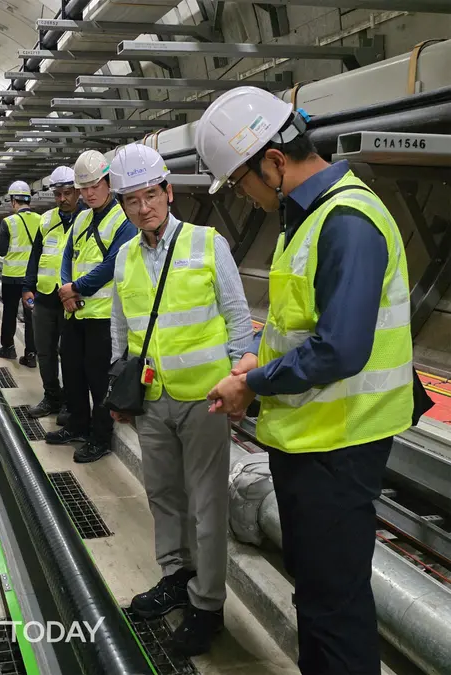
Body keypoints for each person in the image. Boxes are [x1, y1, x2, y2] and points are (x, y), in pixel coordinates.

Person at [200, 87, 414, 675]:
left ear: (273, 161)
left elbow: (341, 348)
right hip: (312, 441)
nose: (244, 194)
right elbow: (301, 329)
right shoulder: (310, 218)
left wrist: (253, 384)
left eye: (241, 180)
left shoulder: (347, 220)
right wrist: (257, 364)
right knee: (318, 599)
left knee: (334, 608)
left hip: (339, 448)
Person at [108, 143, 253, 656]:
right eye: (131, 200)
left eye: (151, 195)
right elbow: (122, 329)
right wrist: (118, 383)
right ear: (122, 206)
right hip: (152, 397)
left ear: (168, 193)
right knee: (163, 495)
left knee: (208, 504)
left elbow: (239, 322)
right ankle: (175, 576)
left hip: (205, 400)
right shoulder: (125, 256)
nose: (143, 207)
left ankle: (207, 605)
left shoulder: (207, 244)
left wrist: (241, 379)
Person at [46, 150, 137, 463]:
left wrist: (77, 288)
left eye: (94, 185)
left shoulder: (123, 220)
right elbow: (67, 256)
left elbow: (114, 263)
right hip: (75, 312)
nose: (89, 193)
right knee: (72, 372)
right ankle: (77, 425)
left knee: (99, 380)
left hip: (103, 317)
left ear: (108, 182)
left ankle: (100, 437)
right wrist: (65, 290)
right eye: (83, 188)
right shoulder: (82, 218)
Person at [22, 166, 85, 425]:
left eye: (67, 193)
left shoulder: (88, 219)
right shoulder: (46, 220)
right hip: (46, 297)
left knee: (70, 354)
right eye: (58, 194)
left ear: (78, 192)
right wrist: (27, 286)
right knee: (45, 351)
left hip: (72, 298)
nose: (62, 199)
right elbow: (35, 256)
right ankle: (51, 396)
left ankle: (71, 402)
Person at [0, 180, 39, 368]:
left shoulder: (8, 222)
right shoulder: (41, 220)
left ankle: (8, 348)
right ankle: (31, 354)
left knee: (10, 312)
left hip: (12, 278)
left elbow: (2, 251)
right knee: (31, 317)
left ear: (13, 201)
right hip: (32, 278)